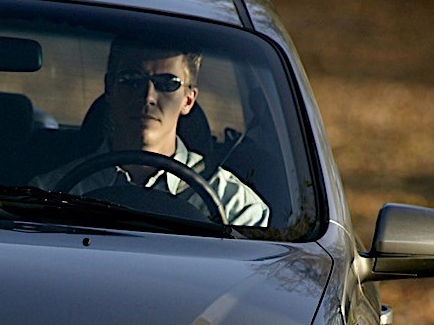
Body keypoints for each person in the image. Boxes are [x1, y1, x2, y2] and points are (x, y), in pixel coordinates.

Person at [34, 39, 269, 226]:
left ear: (189, 99)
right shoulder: (50, 193)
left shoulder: (235, 208)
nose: (147, 97)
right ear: (109, 89)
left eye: (167, 83)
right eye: (131, 80)